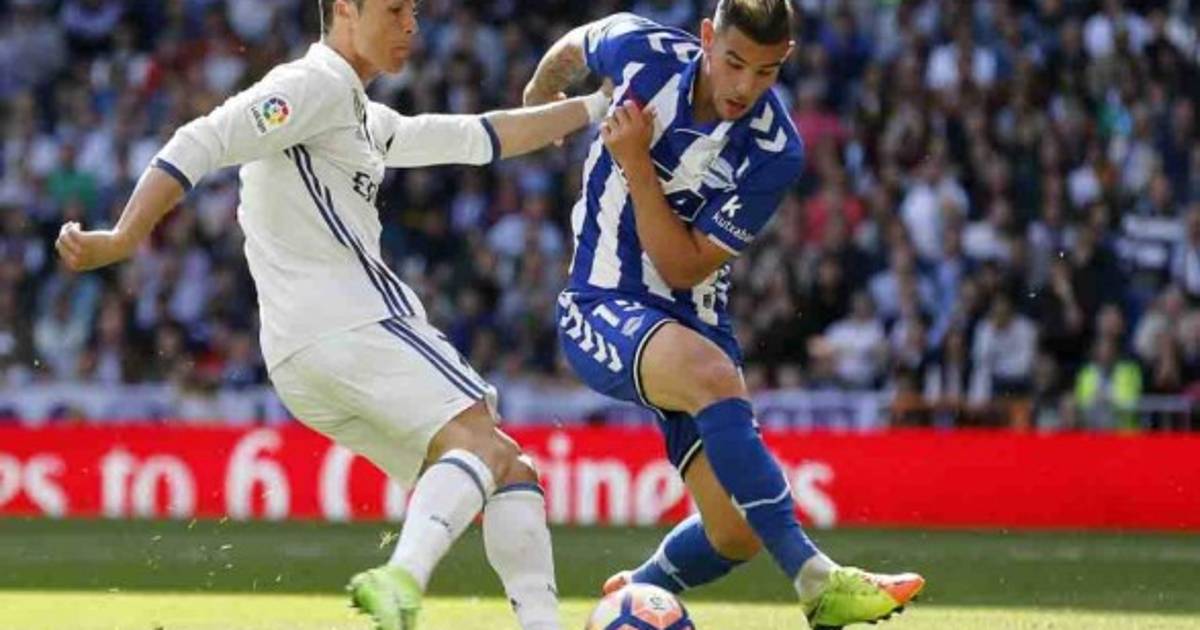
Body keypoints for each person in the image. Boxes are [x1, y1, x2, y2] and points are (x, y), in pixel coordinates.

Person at [55, 1, 613, 629]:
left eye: (414, 11)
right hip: (351, 323)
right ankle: (401, 580)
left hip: (301, 359)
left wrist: (596, 107)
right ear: (346, 8)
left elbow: (479, 136)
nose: (411, 25)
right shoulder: (311, 85)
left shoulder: (361, 118)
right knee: (480, 441)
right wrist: (124, 237)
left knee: (507, 467)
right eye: (395, 9)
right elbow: (202, 138)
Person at [524, 2, 923, 627]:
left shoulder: (775, 151)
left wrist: (636, 165)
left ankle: (634, 596)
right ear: (708, 38)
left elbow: (683, 266)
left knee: (735, 533)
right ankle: (818, 582)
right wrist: (539, 96)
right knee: (712, 377)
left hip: (694, 320)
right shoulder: (643, 51)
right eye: (733, 62)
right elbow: (578, 43)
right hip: (601, 302)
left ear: (785, 61)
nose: (744, 86)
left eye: (765, 72)